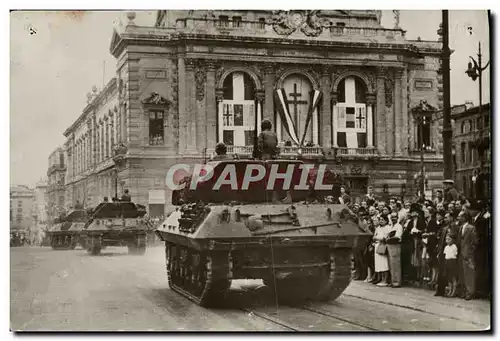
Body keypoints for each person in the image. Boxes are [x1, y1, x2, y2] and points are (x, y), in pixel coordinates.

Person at [469, 200, 490, 299]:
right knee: (476, 268)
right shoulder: (475, 219)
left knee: (480, 268)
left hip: (480, 248)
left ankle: (481, 291)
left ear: (476, 210)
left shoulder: (481, 220)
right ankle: (477, 290)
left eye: (472, 209)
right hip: (476, 247)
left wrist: (476, 243)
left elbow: (481, 235)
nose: (470, 211)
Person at [457, 211, 477, 300]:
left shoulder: (471, 228)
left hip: (468, 254)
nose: (458, 218)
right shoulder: (461, 227)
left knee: (469, 273)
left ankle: (470, 292)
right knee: (462, 273)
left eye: (459, 216)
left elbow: (474, 242)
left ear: (464, 218)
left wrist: (469, 253)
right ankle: (464, 291)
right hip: (461, 253)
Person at [409, 203, 426, 284]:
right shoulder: (410, 222)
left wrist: (418, 231)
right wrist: (410, 232)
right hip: (413, 241)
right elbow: (407, 231)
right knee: (414, 258)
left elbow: (423, 230)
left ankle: (420, 276)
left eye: (414, 212)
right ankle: (416, 275)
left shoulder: (421, 221)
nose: (413, 214)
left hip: (419, 241)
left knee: (419, 258)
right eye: (412, 212)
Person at [373, 215, 390, 286]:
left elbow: (385, 238)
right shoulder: (378, 228)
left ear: (386, 221)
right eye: (380, 220)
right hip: (377, 245)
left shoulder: (387, 228)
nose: (381, 221)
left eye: (382, 220)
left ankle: (385, 280)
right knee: (378, 264)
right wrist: (377, 238)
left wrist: (377, 238)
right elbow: (374, 236)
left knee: (384, 263)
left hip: (383, 246)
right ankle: (380, 279)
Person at [386, 212, 403, 287]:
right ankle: (393, 280)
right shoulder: (390, 226)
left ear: (397, 218)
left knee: (396, 263)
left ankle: (397, 282)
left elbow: (397, 237)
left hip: (395, 245)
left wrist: (389, 237)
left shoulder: (399, 226)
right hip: (390, 245)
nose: (393, 219)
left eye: (395, 217)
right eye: (392, 217)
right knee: (391, 264)